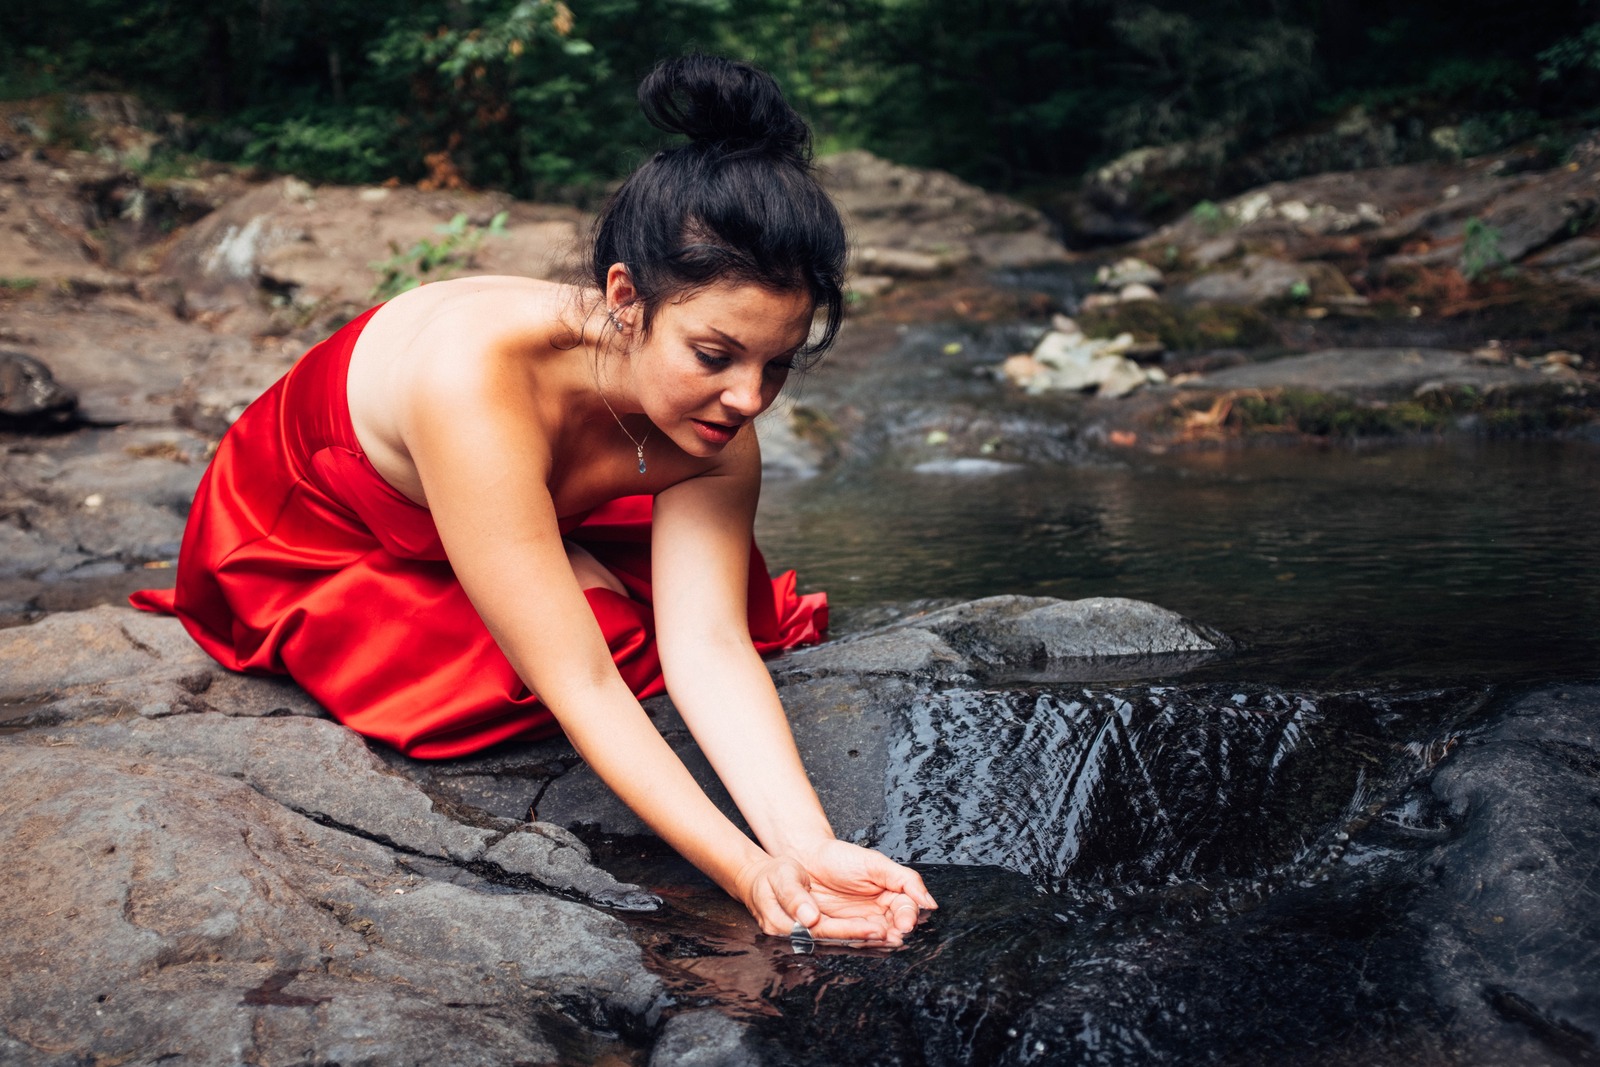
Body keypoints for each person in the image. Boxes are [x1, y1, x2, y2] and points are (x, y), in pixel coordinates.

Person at [132, 54, 936, 944]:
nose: (749, 399)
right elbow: (582, 684)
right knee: (593, 644)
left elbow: (709, 646)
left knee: (716, 615)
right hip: (323, 522)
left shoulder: (718, 422)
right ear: (625, 300)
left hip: (527, 480)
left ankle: (569, 543)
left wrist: (809, 848)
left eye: (777, 364)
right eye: (715, 356)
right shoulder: (473, 382)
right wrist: (746, 873)